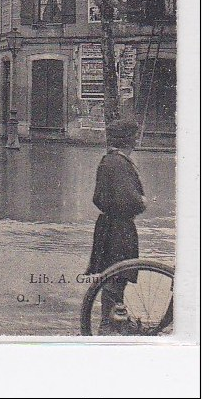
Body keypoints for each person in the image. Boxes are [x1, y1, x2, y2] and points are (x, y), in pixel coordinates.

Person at [85, 118, 146, 333]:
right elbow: (129, 199)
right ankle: (110, 324)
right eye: (135, 135)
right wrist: (142, 202)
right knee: (117, 276)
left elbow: (98, 198)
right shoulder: (120, 163)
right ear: (129, 140)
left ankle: (111, 321)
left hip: (108, 225)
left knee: (113, 276)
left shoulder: (109, 160)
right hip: (120, 227)